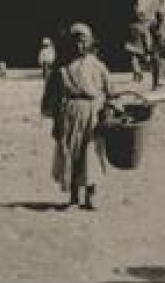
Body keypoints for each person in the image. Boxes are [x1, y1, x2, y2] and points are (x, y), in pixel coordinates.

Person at [39, 22, 113, 210]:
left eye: (83, 41)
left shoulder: (98, 66)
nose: (79, 46)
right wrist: (55, 119)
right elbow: (51, 95)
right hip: (68, 114)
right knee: (70, 152)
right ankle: (73, 196)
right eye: (75, 42)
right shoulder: (61, 68)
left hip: (92, 114)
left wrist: (107, 112)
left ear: (89, 42)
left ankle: (90, 196)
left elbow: (110, 91)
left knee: (91, 154)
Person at [124, 10, 151, 83]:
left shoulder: (130, 26)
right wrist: (148, 49)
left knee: (134, 59)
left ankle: (137, 73)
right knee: (138, 60)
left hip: (131, 46)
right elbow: (146, 39)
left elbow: (127, 36)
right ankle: (138, 73)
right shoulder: (143, 28)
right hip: (140, 46)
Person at [147, 12, 165, 90]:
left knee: (162, 65)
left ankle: (157, 82)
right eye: (160, 17)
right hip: (155, 48)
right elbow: (155, 34)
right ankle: (155, 84)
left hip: (163, 48)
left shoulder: (164, 26)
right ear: (157, 17)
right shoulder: (153, 26)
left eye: (162, 17)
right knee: (155, 66)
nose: (162, 19)